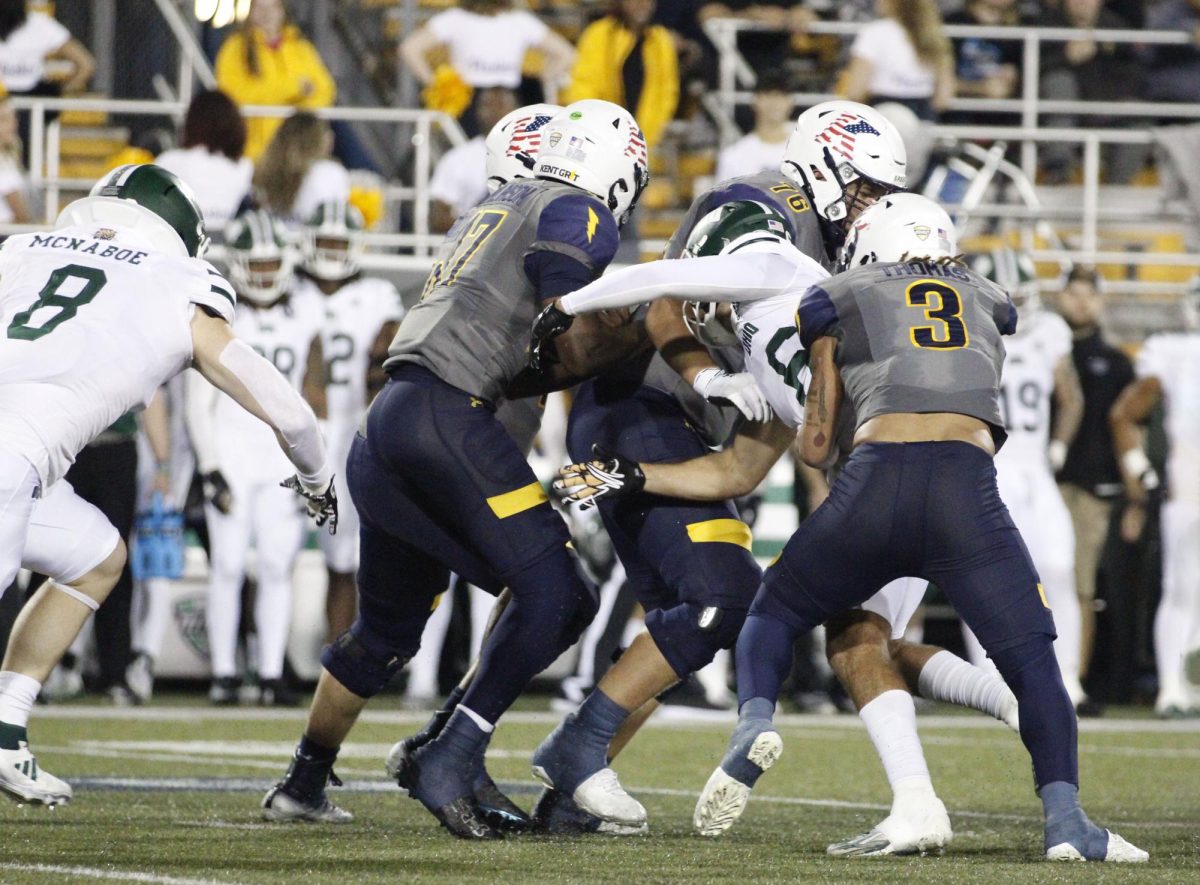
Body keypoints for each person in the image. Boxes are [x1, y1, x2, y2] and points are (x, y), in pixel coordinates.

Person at [670, 193, 1144, 862]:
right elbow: (996, 317)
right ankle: (1066, 822)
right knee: (1037, 664)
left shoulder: (835, 292)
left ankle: (753, 720)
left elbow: (815, 435)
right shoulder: (986, 292)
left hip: (875, 480)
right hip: (966, 490)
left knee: (774, 612)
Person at [538, 198, 1021, 856]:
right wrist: (630, 472)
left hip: (895, 475)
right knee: (867, 645)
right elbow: (734, 472)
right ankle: (1015, 712)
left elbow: (655, 281)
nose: (713, 309)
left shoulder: (786, 272)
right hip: (924, 476)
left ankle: (750, 726)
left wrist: (568, 304)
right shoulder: (783, 341)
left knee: (766, 610)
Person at [261, 100, 650, 839]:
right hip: (452, 427)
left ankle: (306, 779)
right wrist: (649, 329)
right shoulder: (571, 207)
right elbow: (558, 323)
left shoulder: (487, 213)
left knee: (386, 633)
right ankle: (447, 752)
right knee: (561, 593)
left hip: (390, 430)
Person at [0, 163, 335, 805]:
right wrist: (317, 474)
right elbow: (285, 407)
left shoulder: (25, 247)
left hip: (23, 467)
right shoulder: (178, 280)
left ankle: (7, 729)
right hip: (14, 459)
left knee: (95, 556)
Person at [187, 208, 326, 707]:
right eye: (257, 265)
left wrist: (314, 469)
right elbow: (196, 402)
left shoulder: (306, 311)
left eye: (271, 265)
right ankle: (224, 673)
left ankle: (269, 672)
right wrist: (209, 467)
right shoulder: (218, 311)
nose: (265, 275)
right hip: (232, 458)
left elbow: (316, 396)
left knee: (276, 566)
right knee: (226, 565)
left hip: (282, 465)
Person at [958, 247, 1089, 712]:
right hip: (990, 465)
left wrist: (1058, 447)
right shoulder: (963, 330)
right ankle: (991, 683)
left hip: (1035, 467)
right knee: (989, 576)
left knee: (1057, 567)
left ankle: (1068, 677)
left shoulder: (1050, 331)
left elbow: (1071, 397)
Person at [295, 201, 405, 640]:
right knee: (303, 555)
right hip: (303, 435)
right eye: (325, 241)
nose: (332, 251)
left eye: (340, 242)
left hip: (358, 431)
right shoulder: (291, 295)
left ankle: (355, 655)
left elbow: (393, 346)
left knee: (354, 557)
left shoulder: (377, 295)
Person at [1110, 282, 1200, 717]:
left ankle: (1188, 684)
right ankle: (1171, 688)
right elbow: (1124, 414)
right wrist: (1142, 475)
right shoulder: (1176, 351)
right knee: (1181, 589)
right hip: (1189, 482)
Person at [1055, 266, 1133, 687]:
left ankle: (1075, 679)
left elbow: (1127, 432)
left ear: (1101, 301)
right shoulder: (1041, 348)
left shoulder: (1116, 362)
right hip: (1041, 485)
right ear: (1059, 297)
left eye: (1090, 294)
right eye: (1074, 293)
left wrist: (1130, 494)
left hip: (1090, 488)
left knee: (1081, 584)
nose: (1081, 301)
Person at [214, 0, 335, 162]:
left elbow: (325, 90)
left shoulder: (301, 48)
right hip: (250, 155)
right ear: (250, 11)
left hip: (297, 156)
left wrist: (297, 116)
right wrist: (294, 88)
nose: (267, 14)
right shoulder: (235, 49)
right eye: (260, 8)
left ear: (282, 10)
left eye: (273, 7)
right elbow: (232, 96)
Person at [400, 0, 575, 107]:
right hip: (487, 99)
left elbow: (410, 49)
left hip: (479, 100)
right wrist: (544, 79)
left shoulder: (455, 18)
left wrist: (436, 85)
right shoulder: (519, 20)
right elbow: (566, 54)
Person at [565, 0, 680, 149]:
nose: (641, 4)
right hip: (599, 132)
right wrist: (592, 126)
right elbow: (584, 83)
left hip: (641, 136)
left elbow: (667, 90)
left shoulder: (660, 39)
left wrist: (646, 136)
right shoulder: (600, 33)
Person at [0, 0, 93, 167]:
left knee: (22, 156)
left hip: (30, 106)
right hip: (14, 102)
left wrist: (61, 90)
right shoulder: (40, 23)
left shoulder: (39, 24)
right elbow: (86, 64)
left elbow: (85, 64)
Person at [840, 0, 954, 121]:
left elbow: (855, 91)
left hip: (882, 113)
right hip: (922, 114)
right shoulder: (934, 34)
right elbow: (943, 98)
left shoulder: (874, 32)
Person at [155, 90, 253, 228]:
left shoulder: (169, 160)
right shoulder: (244, 166)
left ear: (191, 122)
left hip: (182, 243)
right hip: (224, 243)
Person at [429, 87, 518, 233]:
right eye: (487, 105)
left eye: (501, 105)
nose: (494, 111)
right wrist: (478, 229)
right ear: (477, 111)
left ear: (516, 111)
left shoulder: (534, 158)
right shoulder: (457, 158)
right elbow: (438, 218)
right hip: (471, 249)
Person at [253, 112, 349, 226]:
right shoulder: (331, 172)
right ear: (316, 139)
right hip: (313, 240)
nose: (331, 136)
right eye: (326, 131)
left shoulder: (263, 171)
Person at [714, 71, 791, 183]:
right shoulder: (733, 156)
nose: (774, 102)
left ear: (790, 102)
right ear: (755, 101)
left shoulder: (805, 152)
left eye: (780, 95)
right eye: (767, 95)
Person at [0, 84, 30, 224]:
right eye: (3, 120)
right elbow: (21, 215)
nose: (13, 125)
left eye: (13, 118)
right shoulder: (3, 166)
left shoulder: (8, 157)